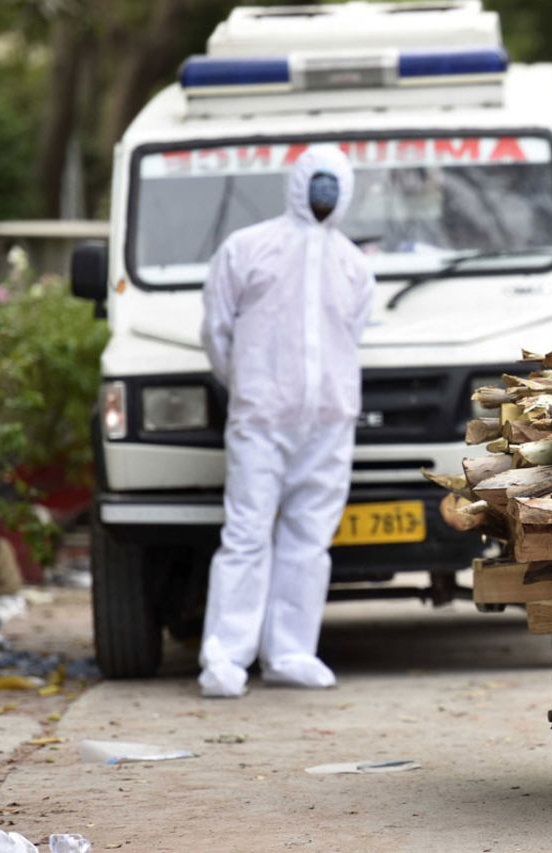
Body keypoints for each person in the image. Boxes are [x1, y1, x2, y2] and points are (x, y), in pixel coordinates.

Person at [198, 145, 374, 698]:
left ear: (345, 191)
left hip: (328, 421)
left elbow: (352, 336)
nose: (324, 194)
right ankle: (225, 658)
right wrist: (251, 388)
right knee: (247, 533)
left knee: (309, 538)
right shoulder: (246, 249)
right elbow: (216, 332)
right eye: (316, 183)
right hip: (261, 418)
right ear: (298, 184)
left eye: (333, 185)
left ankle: (291, 652)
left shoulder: (354, 264)